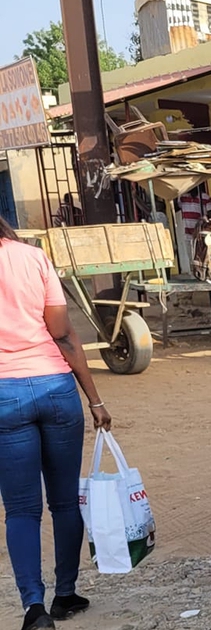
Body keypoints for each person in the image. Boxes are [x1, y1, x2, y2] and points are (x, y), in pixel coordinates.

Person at [0, 216, 111, 630]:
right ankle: (66, 593)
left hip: (4, 395)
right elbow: (63, 335)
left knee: (21, 511)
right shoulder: (34, 258)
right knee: (64, 500)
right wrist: (95, 399)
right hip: (56, 388)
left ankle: (34, 609)